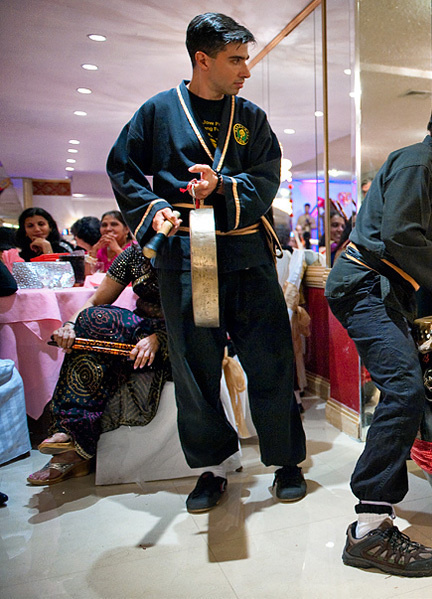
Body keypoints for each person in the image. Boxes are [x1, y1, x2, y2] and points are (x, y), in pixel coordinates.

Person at [107, 12, 307, 513]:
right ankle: (213, 468)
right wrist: (154, 209)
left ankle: (285, 461)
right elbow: (123, 168)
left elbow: (265, 180)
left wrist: (222, 187)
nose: (245, 69)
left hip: (246, 256)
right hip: (186, 257)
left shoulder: (252, 118)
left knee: (271, 361)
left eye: (245, 58)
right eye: (235, 59)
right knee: (197, 370)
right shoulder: (158, 112)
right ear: (203, 59)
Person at [325, 86, 432, 577]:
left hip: (378, 285)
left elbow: (407, 244)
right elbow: (399, 234)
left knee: (405, 385)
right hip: (363, 285)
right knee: (404, 388)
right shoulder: (420, 164)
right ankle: (369, 529)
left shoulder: (426, 166)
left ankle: (378, 515)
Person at [26, 244, 168, 485]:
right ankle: (71, 433)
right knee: (94, 318)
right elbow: (94, 302)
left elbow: (203, 311)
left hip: (181, 336)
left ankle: (75, 448)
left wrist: (161, 338)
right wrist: (70, 327)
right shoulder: (135, 253)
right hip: (143, 330)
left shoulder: (191, 247)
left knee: (98, 334)